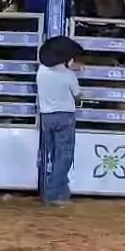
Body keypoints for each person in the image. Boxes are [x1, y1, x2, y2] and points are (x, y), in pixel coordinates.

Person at [37, 36, 84, 206]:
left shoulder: (41, 71)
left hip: (46, 116)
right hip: (64, 116)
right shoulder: (68, 75)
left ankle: (62, 193)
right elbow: (78, 96)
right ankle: (53, 194)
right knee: (64, 158)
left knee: (55, 156)